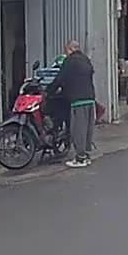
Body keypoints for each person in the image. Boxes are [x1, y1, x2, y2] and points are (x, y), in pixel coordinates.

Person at [47, 40, 96, 168]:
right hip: (90, 98)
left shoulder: (69, 61)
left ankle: (80, 158)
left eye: (66, 50)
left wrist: (48, 91)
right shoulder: (85, 59)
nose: (66, 53)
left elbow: (60, 78)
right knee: (87, 128)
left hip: (78, 100)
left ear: (70, 49)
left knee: (78, 129)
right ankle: (86, 155)